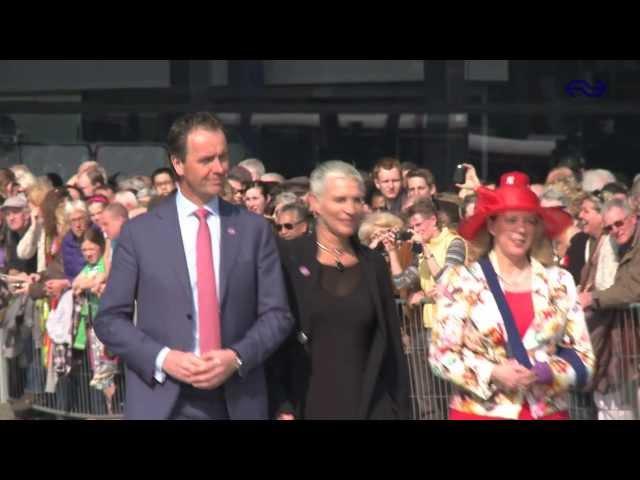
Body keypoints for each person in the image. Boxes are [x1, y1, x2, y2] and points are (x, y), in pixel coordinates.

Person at [94, 112, 293, 420]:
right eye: (206, 160)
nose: (219, 168)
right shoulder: (140, 233)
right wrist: (164, 358)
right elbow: (109, 320)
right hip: (163, 400)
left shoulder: (253, 230)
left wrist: (237, 357)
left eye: (223, 157)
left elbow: (277, 315)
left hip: (237, 399)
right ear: (178, 163)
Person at [429, 171, 595, 420]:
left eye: (529, 221)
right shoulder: (460, 281)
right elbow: (441, 355)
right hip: (480, 414)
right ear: (492, 225)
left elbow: (585, 358)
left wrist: (547, 372)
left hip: (546, 412)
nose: (521, 229)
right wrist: (492, 372)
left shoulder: (559, 282)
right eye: (511, 220)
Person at [269, 160, 409, 420]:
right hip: (308, 403)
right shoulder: (288, 258)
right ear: (314, 203)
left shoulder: (373, 263)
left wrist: (399, 410)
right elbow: (275, 340)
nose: (350, 209)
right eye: (340, 200)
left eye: (357, 200)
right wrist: (282, 405)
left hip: (370, 406)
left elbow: (391, 349)